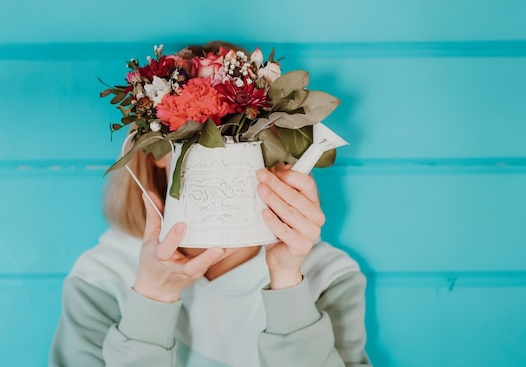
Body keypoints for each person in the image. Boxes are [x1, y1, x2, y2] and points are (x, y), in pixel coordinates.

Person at [49, 44, 371, 366]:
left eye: (247, 136)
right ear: (155, 152)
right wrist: (151, 296)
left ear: (276, 151)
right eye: (190, 136)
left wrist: (287, 281)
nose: (218, 148)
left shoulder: (326, 276)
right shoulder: (102, 278)